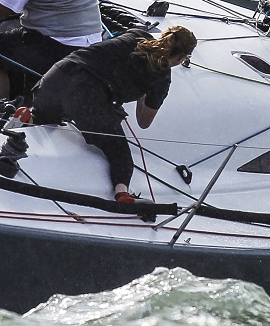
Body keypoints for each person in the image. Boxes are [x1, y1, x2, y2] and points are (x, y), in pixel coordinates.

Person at [30, 26, 197, 205]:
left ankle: (28, 118)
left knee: (43, 118)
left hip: (59, 73)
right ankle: (122, 194)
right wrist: (145, 90)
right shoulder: (161, 77)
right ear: (181, 58)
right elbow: (143, 122)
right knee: (121, 156)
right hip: (86, 94)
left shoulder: (136, 34)